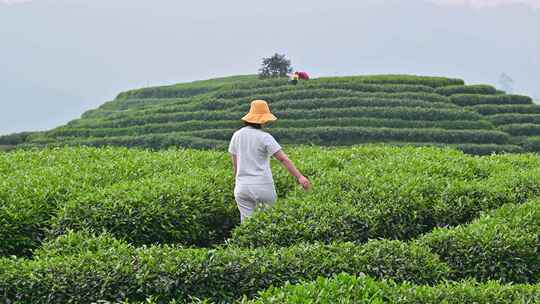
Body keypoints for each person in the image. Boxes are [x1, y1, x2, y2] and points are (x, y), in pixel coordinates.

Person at [228, 99, 311, 222]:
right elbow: (282, 159)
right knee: (267, 222)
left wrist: (239, 183)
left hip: (242, 187)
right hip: (262, 186)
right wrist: (300, 177)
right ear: (263, 119)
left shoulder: (236, 135)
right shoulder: (265, 137)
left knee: (246, 225)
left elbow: (235, 164)